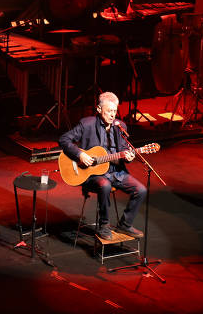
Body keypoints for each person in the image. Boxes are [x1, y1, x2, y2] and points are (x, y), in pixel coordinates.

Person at [58, 91, 147, 240]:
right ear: (99, 109)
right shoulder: (87, 124)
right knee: (104, 185)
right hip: (93, 174)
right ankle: (104, 225)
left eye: (115, 111)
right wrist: (80, 154)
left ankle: (125, 224)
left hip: (116, 172)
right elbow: (64, 139)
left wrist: (129, 157)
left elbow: (124, 150)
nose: (113, 115)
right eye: (109, 111)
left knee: (141, 190)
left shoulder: (121, 126)